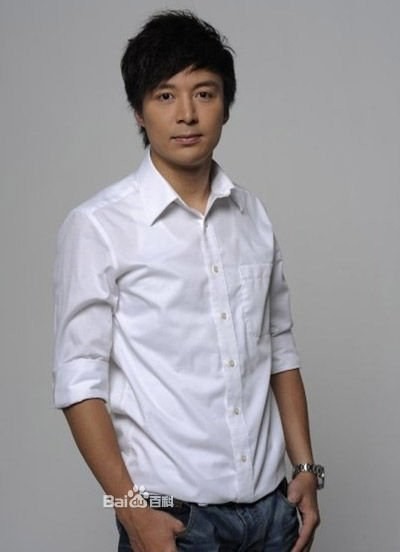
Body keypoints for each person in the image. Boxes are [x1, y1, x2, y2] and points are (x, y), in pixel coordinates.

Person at [53, 10, 324, 552]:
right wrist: (132, 512)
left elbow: (279, 348)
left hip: (275, 511)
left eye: (204, 93)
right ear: (139, 111)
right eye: (165, 95)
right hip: (174, 518)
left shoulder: (252, 215)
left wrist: (306, 470)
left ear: (225, 105)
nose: (187, 114)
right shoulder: (99, 226)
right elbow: (79, 380)